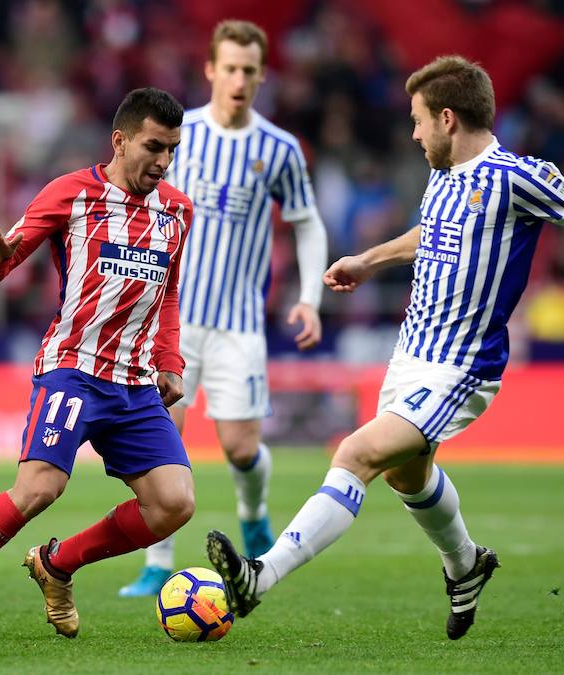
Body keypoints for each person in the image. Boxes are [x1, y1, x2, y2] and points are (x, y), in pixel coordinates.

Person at [205, 55, 564, 640]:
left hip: (460, 369)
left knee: (354, 455)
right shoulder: (443, 176)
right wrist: (370, 260)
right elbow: (431, 233)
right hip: (410, 356)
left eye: (418, 120)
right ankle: (466, 565)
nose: (413, 132)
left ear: (447, 119)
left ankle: (258, 577)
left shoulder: (518, 177)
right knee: (408, 478)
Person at [0, 87, 195, 640]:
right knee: (39, 489)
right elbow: (0, 265)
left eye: (172, 149)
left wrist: (169, 362)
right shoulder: (70, 193)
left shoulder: (178, 210)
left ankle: (57, 564)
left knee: (174, 504)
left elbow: (169, 293)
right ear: (120, 140)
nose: (163, 161)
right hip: (73, 370)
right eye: (154, 146)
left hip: (134, 385)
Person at [119, 20, 328, 597]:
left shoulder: (278, 148)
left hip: (238, 321)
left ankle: (254, 512)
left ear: (262, 75)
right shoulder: (177, 136)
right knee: (164, 441)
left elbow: (307, 224)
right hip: (170, 320)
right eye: (229, 68)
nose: (238, 79)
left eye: (249, 70)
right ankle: (157, 561)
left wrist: (309, 299)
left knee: (239, 447)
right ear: (211, 69)